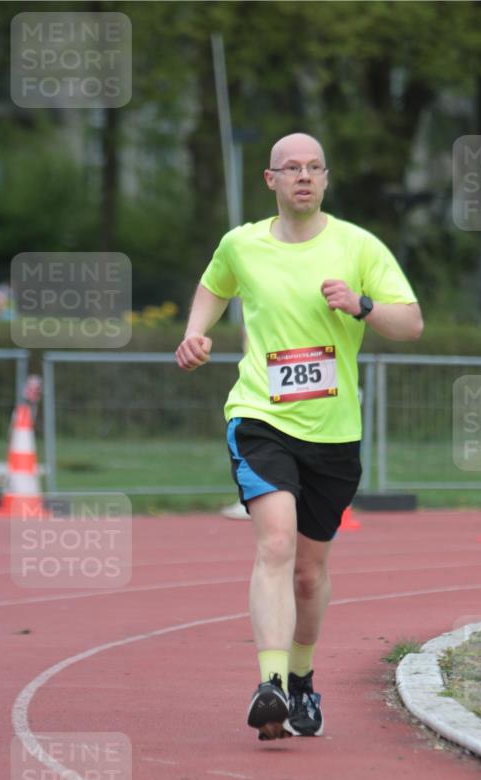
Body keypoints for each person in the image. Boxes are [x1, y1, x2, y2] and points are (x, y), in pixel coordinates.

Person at [175, 133, 423, 740]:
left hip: (334, 433)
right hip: (261, 415)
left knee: (309, 573)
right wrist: (195, 333)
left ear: (326, 179)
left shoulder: (357, 245)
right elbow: (214, 284)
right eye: (291, 168)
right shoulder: (242, 245)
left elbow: (410, 323)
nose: (303, 177)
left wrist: (361, 304)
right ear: (271, 180)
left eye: (314, 168)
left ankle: (304, 679)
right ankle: (271, 684)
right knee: (276, 544)